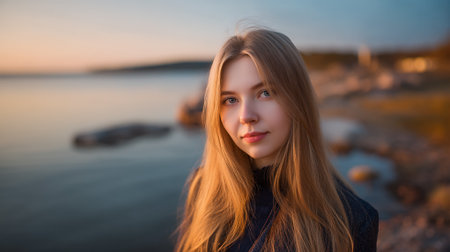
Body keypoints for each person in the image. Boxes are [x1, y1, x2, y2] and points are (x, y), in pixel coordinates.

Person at [175, 28, 378, 252]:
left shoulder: (351, 222)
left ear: (298, 99)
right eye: (231, 99)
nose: (246, 116)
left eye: (265, 93)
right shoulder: (204, 189)